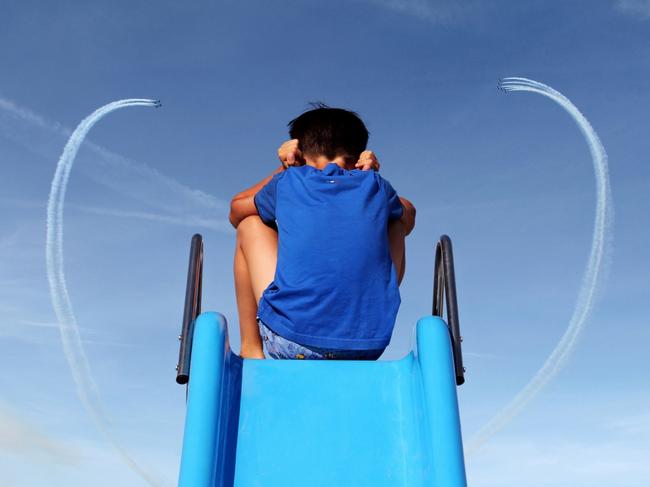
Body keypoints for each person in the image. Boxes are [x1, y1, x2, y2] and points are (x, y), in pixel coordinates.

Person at [229, 104, 416, 360]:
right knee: (395, 221)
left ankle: (251, 348)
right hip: (367, 345)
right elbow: (409, 214)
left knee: (249, 224)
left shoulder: (289, 180)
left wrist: (286, 168)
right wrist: (369, 173)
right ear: (358, 154)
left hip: (291, 341)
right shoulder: (376, 185)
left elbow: (236, 209)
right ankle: (364, 308)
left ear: (299, 151)